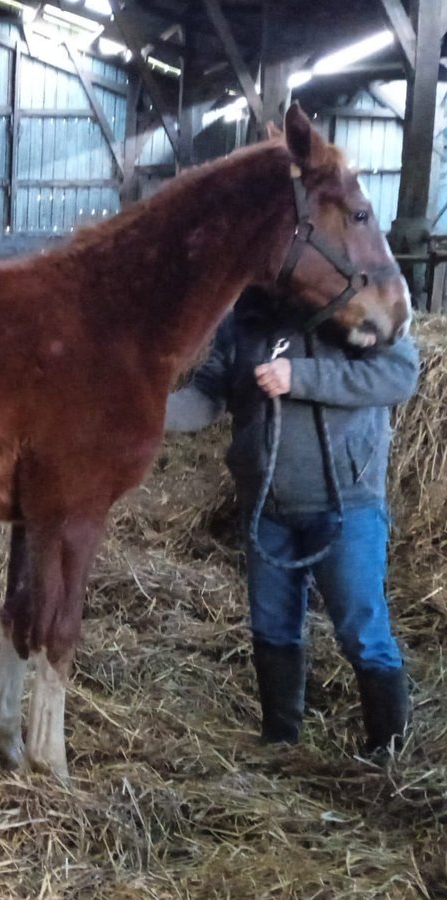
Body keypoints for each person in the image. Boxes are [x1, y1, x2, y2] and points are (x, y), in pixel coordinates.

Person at [165, 286, 419, 753]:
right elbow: (208, 396)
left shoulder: (352, 305)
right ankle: (280, 738)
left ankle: (388, 748)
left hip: (345, 502)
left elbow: (399, 374)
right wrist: (141, 412)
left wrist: (299, 377)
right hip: (267, 503)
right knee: (271, 624)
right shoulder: (246, 318)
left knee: (361, 627)